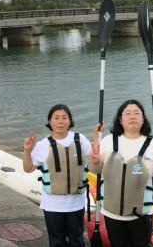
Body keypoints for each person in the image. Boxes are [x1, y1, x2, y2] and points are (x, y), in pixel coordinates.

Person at [89, 99, 153, 247]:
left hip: (141, 214)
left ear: (143, 119)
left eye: (136, 113)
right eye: (127, 113)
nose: (132, 116)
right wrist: (95, 161)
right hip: (112, 212)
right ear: (120, 120)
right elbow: (96, 170)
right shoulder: (109, 140)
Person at [23, 104, 97, 247]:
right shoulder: (43, 144)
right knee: (56, 242)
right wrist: (27, 150)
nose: (60, 121)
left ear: (70, 121)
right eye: (56, 118)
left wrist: (96, 134)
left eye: (64, 118)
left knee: (77, 241)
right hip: (52, 205)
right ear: (50, 122)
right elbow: (28, 168)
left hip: (76, 204)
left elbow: (95, 157)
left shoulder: (80, 139)